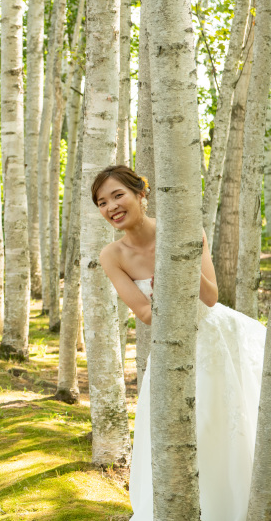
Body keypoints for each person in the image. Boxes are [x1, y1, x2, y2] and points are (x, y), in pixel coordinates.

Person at [92, 165, 266, 520]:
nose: (111, 206)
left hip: (217, 338)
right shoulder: (112, 256)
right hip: (171, 348)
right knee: (180, 432)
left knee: (228, 425)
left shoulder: (188, 231)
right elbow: (144, 312)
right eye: (101, 202)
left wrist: (179, 259)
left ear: (142, 192)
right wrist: (167, 290)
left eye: (117, 195)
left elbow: (211, 297)